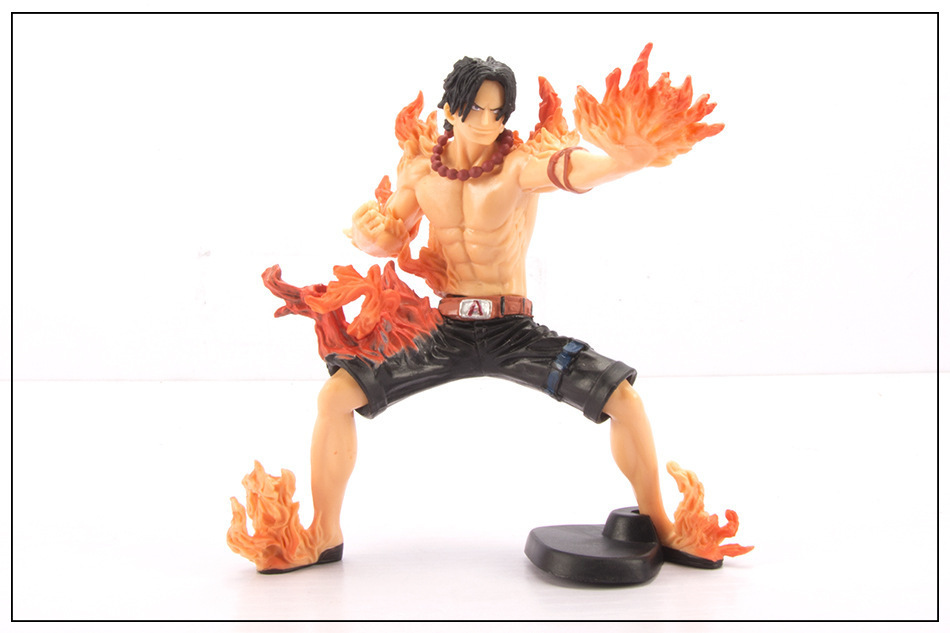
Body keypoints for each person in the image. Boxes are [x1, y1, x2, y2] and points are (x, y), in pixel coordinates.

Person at [233, 48, 746, 573]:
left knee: (623, 398)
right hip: (446, 331)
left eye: (498, 112)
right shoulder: (421, 172)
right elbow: (390, 237)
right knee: (336, 396)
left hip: (513, 332)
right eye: (476, 108)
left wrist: (624, 160)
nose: (486, 121)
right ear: (449, 109)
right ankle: (324, 534)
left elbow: (570, 169)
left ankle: (660, 524)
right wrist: (368, 236)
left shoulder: (518, 168)